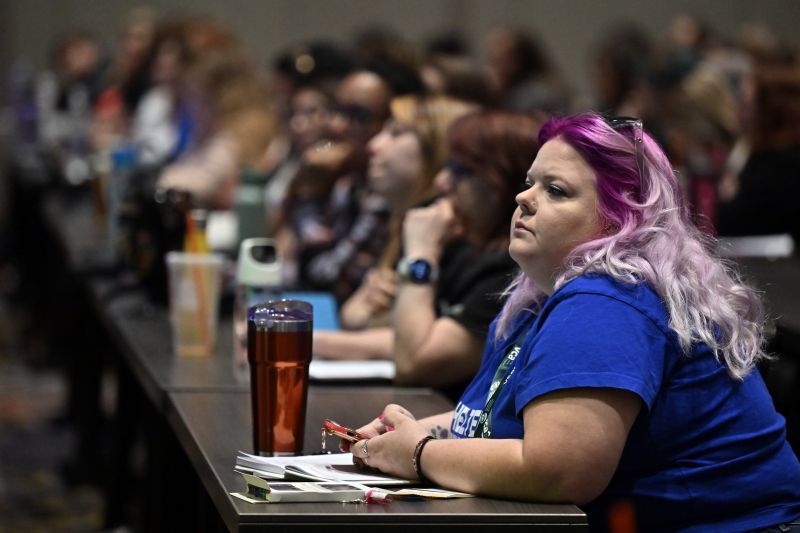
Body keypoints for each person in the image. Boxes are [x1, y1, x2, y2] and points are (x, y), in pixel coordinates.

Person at [346, 113, 800, 532]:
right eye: (529, 182)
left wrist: (420, 455)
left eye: (555, 190)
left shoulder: (610, 301)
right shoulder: (550, 294)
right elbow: (495, 415)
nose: (524, 197)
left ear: (620, 219)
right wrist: (411, 434)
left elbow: (560, 471)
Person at [315, 111, 541, 401]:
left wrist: (420, 255)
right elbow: (371, 322)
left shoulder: (513, 268)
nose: (442, 182)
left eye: (461, 171)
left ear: (504, 183)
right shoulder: (465, 247)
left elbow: (413, 361)